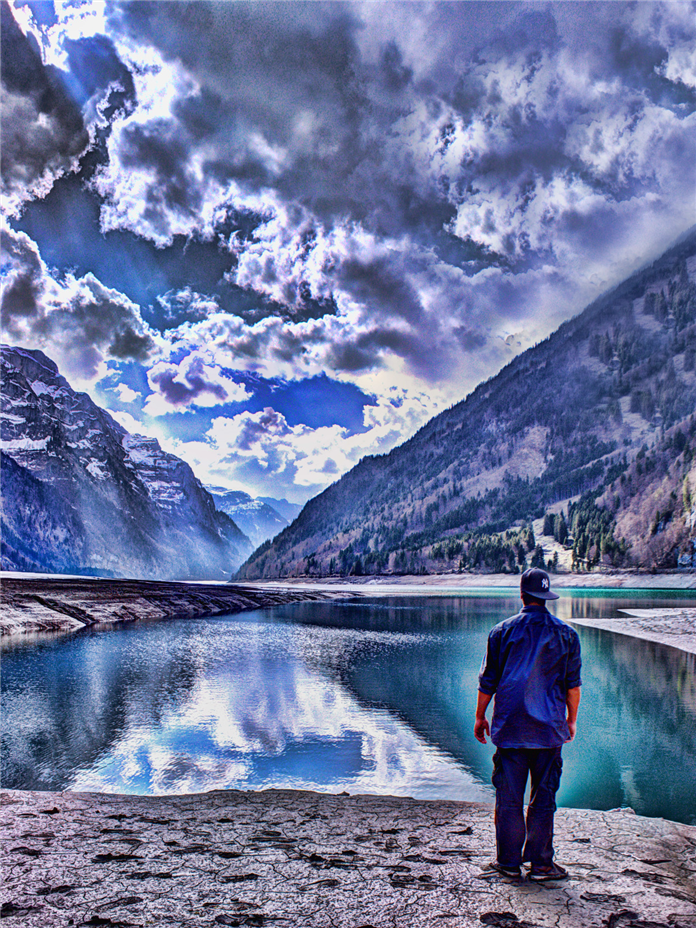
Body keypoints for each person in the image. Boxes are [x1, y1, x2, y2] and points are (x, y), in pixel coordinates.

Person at [474, 567, 581, 882]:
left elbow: (488, 682)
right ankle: (542, 865)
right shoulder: (567, 634)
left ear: (522, 594)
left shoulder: (501, 631)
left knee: (509, 797)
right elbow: (572, 686)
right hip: (549, 730)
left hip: (510, 728)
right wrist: (571, 720)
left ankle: (508, 863)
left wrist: (481, 717)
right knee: (544, 796)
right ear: (547, 597)